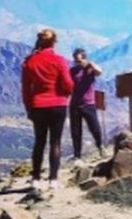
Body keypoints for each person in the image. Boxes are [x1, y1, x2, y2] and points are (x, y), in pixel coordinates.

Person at [22, 29, 74, 190]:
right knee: (55, 143)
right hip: (58, 105)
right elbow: (68, 85)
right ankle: (53, 179)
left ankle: (35, 179)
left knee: (39, 142)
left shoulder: (29, 62)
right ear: (54, 43)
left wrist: (29, 109)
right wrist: (64, 94)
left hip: (38, 106)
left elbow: (25, 90)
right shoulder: (60, 60)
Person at [69, 48, 104, 160]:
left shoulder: (90, 69)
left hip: (88, 104)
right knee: (76, 132)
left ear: (84, 59)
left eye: (79, 60)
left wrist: (90, 64)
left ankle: (100, 146)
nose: (77, 63)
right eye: (75, 60)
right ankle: (77, 155)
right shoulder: (72, 71)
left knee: (95, 128)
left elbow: (100, 71)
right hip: (75, 105)